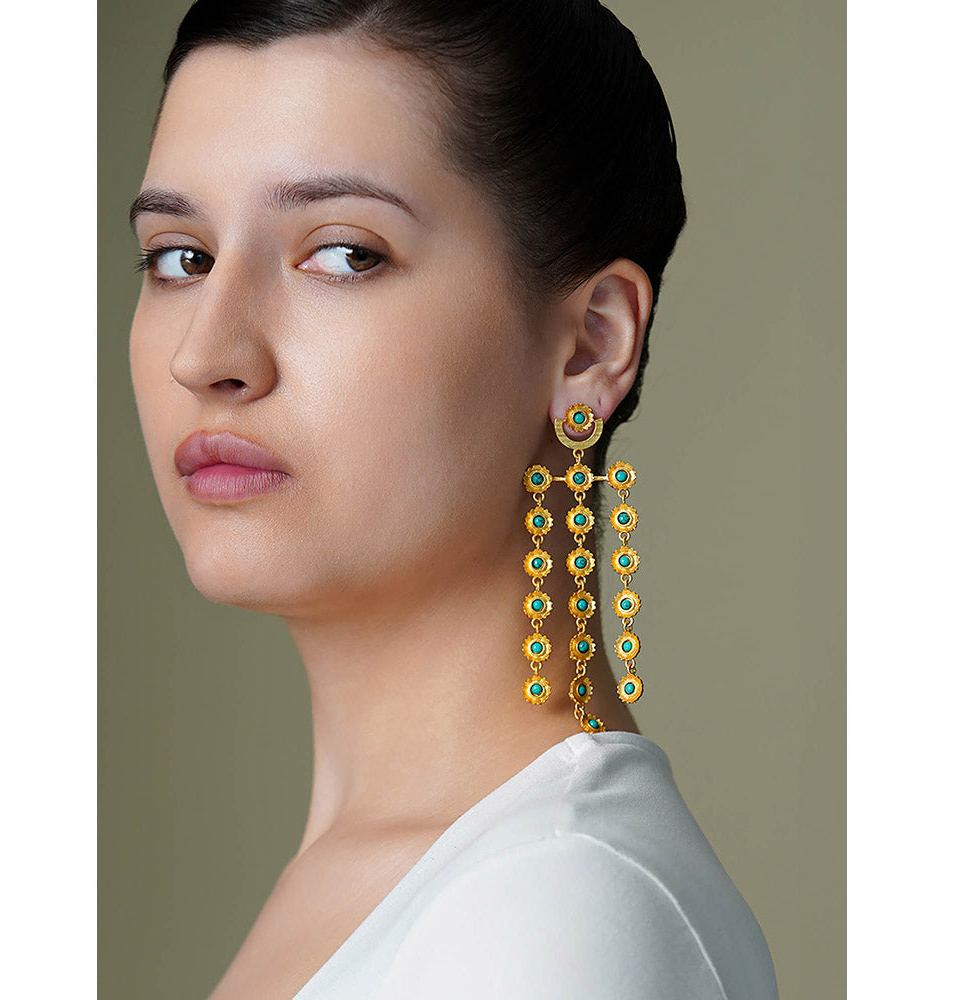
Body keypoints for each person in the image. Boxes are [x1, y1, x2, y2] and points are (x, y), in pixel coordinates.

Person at [127, 1, 780, 997]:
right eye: (181, 256)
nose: (206, 353)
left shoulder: (554, 912)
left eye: (344, 253)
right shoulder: (436, 873)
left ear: (590, 345)